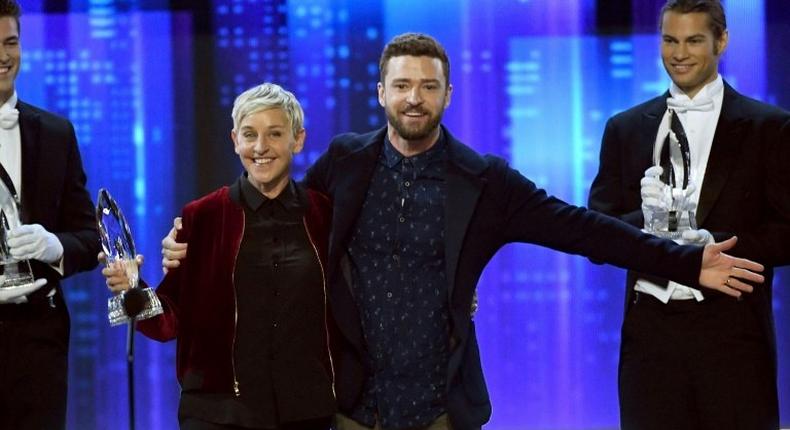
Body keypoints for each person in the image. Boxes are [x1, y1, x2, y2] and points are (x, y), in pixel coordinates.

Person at [163, 33, 765, 430]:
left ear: (448, 94)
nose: (414, 98)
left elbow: (584, 230)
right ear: (381, 94)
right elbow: (278, 218)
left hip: (440, 409)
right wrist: (184, 246)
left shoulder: (484, 182)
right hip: (345, 408)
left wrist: (686, 262)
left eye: (428, 86)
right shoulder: (343, 164)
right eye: (402, 85)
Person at [587, 1, 790, 429]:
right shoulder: (625, 129)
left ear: (722, 41)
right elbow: (596, 236)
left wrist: (710, 245)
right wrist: (647, 222)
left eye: (694, 40)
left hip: (734, 337)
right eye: (669, 40)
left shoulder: (769, 127)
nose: (679, 53)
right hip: (650, 341)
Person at [103, 83, 335, 430]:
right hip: (218, 413)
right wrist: (131, 291)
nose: (260, 147)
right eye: (249, 134)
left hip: (306, 411)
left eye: (274, 134)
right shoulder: (202, 216)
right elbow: (171, 320)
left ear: (297, 140)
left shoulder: (323, 214)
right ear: (234, 140)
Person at [0, 1, 101, 429]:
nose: (4, 56)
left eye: (11, 42)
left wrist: (54, 244)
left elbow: (91, 238)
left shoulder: (57, 133)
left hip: (38, 340)